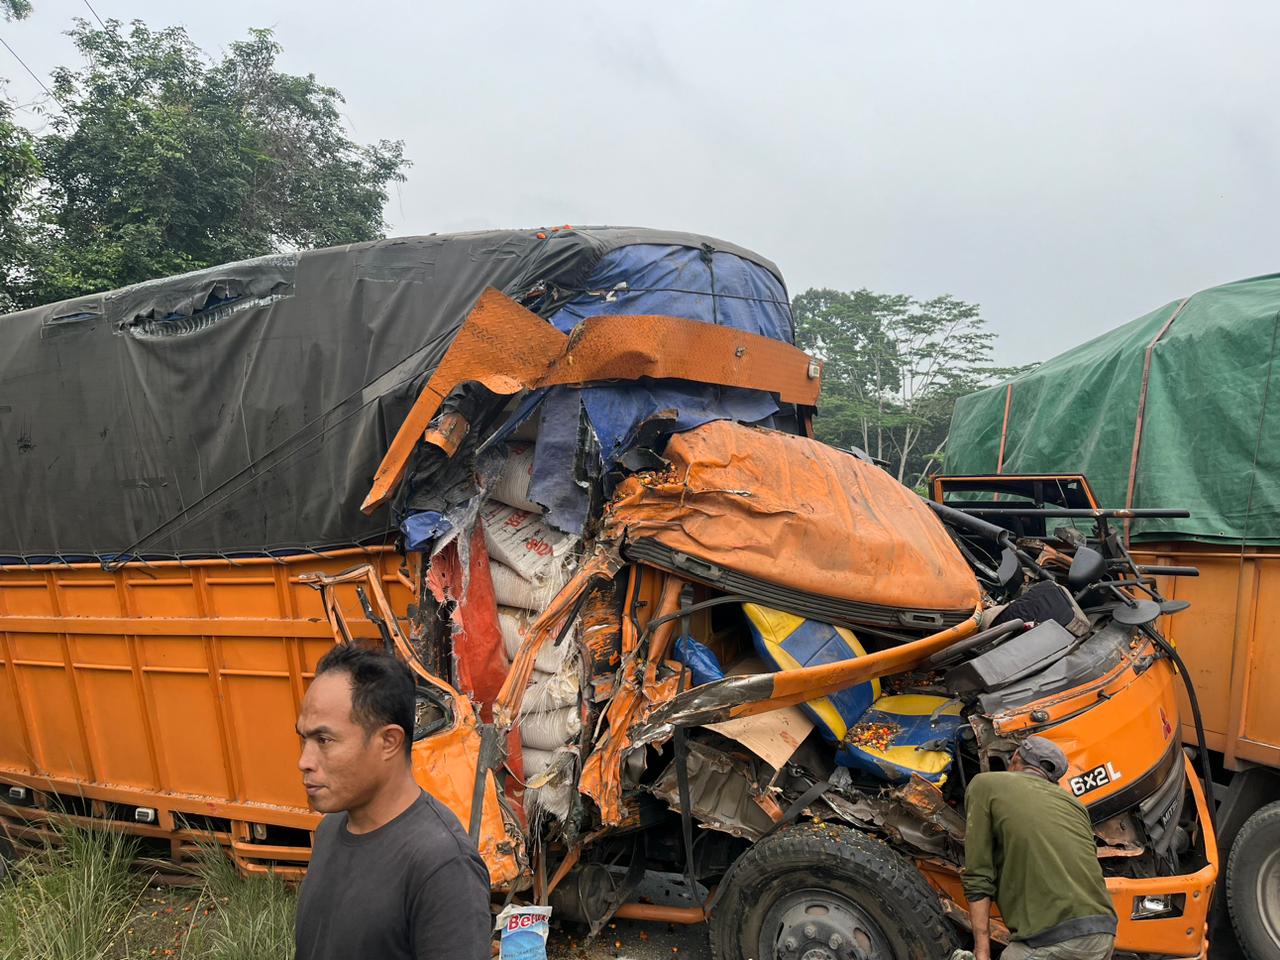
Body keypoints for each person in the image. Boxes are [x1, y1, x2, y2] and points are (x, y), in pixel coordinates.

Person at [294, 642, 492, 960]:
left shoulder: (442, 865)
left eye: (324, 740)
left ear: (389, 741)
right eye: (304, 739)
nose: (305, 760)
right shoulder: (331, 830)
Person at [963, 736, 1117, 960]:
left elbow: (978, 875)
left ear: (1015, 757)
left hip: (1052, 939)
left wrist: (982, 952)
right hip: (1102, 933)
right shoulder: (1074, 804)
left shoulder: (985, 784)